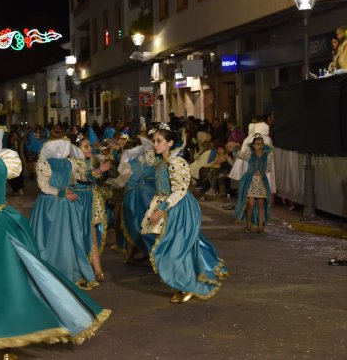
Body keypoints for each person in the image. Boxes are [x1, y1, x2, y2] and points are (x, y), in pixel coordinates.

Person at [0, 109, 110, 360]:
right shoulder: (5, 160)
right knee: (11, 281)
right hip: (4, 222)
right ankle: (6, 347)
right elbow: (11, 173)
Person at [141, 124, 228, 304]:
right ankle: (184, 284)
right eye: (154, 141)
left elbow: (180, 190)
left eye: (159, 141)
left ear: (170, 143)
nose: (155, 144)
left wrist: (161, 210)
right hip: (168, 205)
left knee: (176, 249)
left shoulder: (176, 162)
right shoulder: (162, 161)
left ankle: (187, 286)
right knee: (173, 247)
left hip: (179, 207)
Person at [29, 125, 100, 288]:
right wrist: (62, 193)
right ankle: (57, 272)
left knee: (65, 239)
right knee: (58, 239)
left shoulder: (66, 162)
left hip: (61, 203)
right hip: (55, 202)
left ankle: (67, 272)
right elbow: (44, 186)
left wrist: (96, 172)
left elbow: (81, 176)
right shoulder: (49, 162)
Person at [106, 136, 156, 264]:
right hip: (146, 194)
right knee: (142, 224)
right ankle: (144, 252)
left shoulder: (128, 164)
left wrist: (109, 181)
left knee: (130, 225)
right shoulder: (141, 162)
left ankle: (134, 254)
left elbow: (120, 183)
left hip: (132, 197)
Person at [69, 133, 111, 282]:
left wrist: (103, 167)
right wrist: (99, 171)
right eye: (85, 146)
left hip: (91, 199)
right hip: (77, 201)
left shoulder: (91, 159)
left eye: (89, 145)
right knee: (78, 235)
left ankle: (98, 269)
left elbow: (95, 175)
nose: (89, 148)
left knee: (92, 234)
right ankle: (80, 266)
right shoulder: (71, 162)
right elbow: (84, 175)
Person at [234, 134, 274, 234]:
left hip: (261, 182)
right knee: (250, 204)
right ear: (253, 146)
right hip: (251, 182)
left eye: (261, 144)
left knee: (260, 204)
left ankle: (260, 227)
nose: (260, 146)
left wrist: (262, 170)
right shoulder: (249, 154)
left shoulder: (267, 155)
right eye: (257, 144)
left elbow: (268, 169)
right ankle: (248, 225)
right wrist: (235, 149)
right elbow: (238, 154)